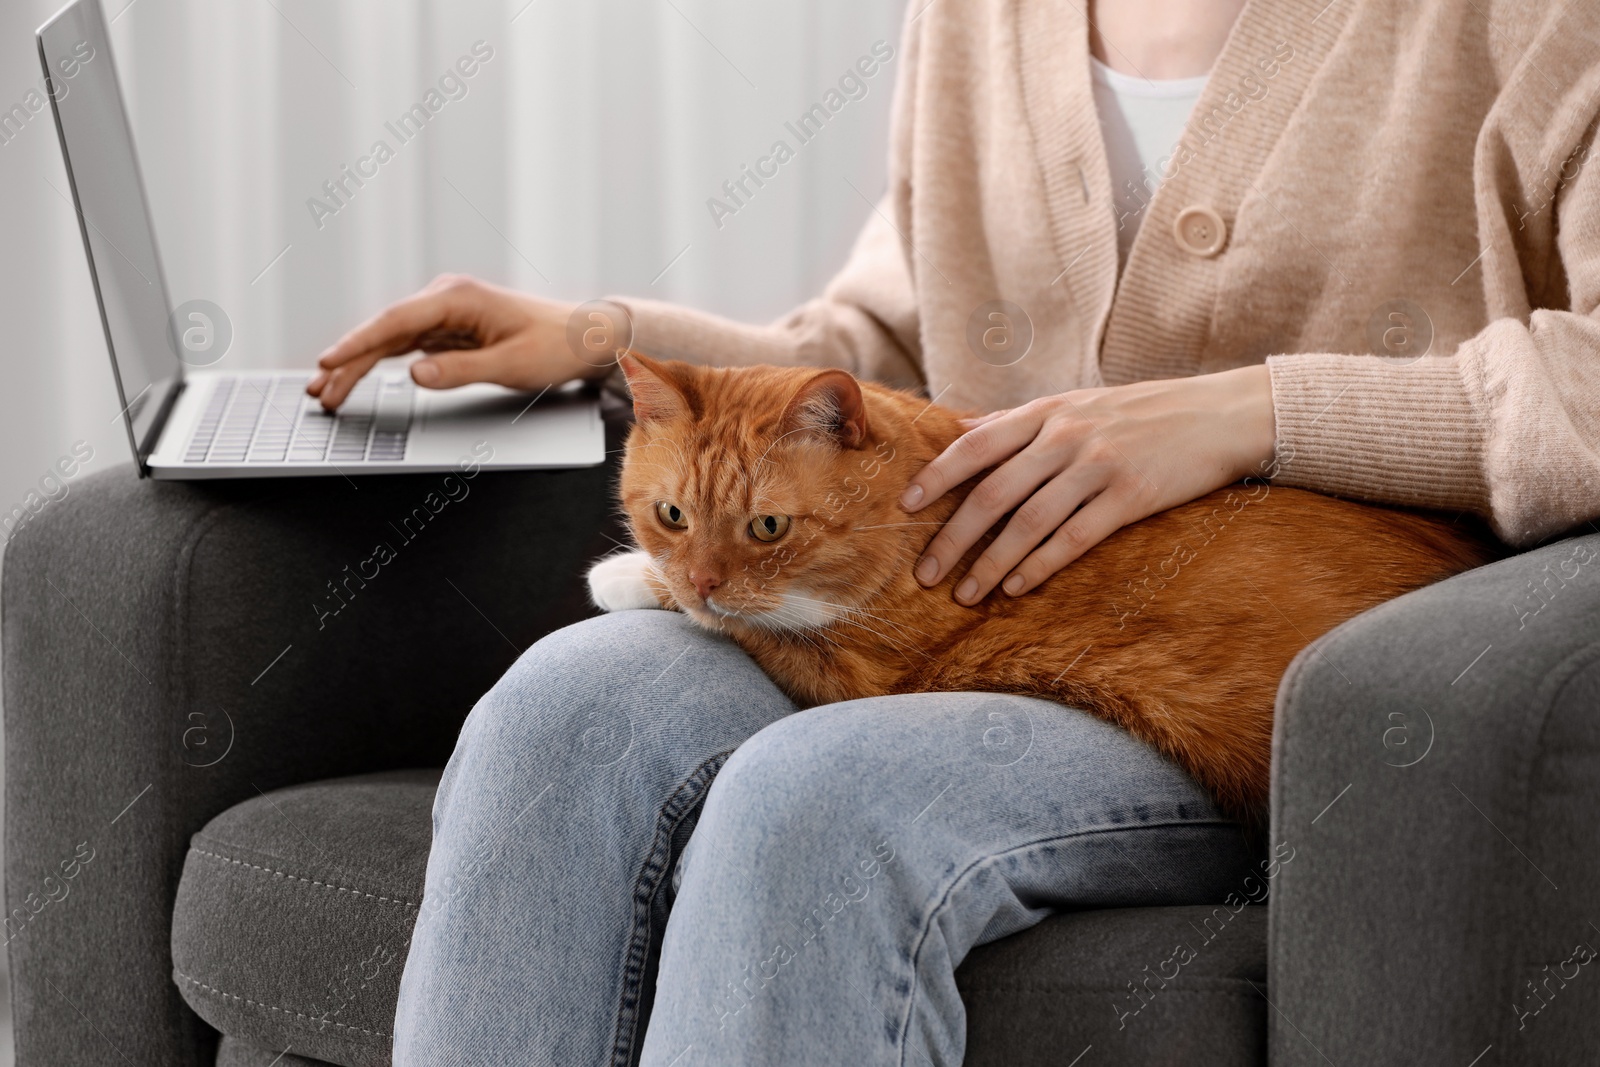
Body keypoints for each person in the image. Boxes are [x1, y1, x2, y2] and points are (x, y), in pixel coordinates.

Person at [309, 0, 1600, 1062]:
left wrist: (1254, 413)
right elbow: (880, 360)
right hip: (949, 591)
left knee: (817, 803)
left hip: (1277, 667)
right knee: (564, 709)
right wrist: (601, 337)